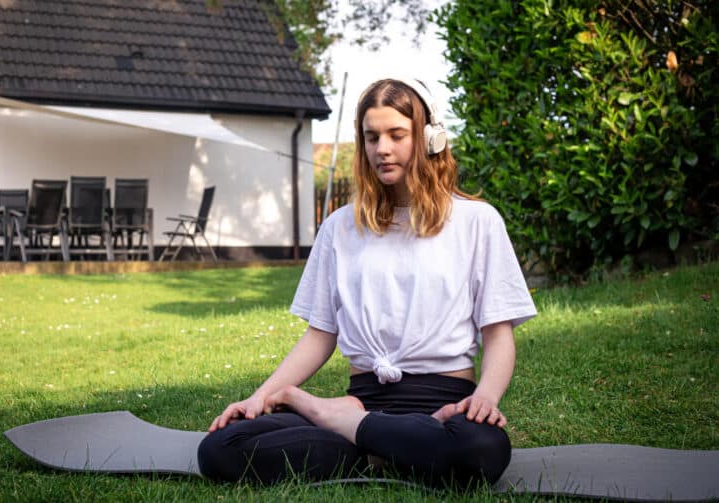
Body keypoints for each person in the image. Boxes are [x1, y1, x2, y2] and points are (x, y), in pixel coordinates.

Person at [197, 77, 537, 488]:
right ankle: (383, 443)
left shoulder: (477, 222)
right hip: (363, 396)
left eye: (397, 134)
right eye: (372, 137)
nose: (383, 149)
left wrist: (486, 397)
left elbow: (498, 333)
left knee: (482, 449)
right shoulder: (340, 227)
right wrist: (261, 395)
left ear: (430, 138)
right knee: (219, 447)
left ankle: (350, 430)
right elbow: (320, 334)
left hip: (444, 407)